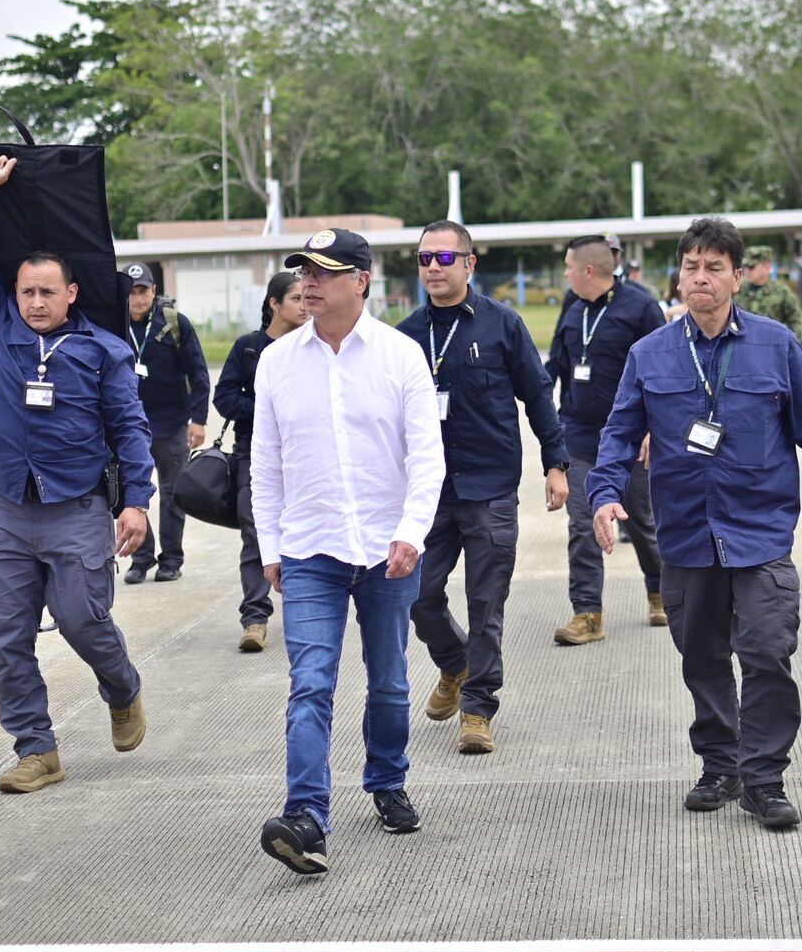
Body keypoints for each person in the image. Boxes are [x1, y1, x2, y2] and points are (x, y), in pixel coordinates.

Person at [589, 216, 802, 833]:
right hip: (685, 535)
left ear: (735, 276)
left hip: (759, 533)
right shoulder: (649, 353)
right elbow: (619, 434)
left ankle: (764, 778)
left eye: (713, 268)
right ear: (678, 275)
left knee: (765, 651)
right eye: (690, 267)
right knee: (701, 656)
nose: (699, 279)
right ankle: (720, 764)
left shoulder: (776, 344)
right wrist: (603, 494)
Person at [0, 154, 155, 794]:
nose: (36, 302)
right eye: (27, 291)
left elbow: (130, 429)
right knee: (9, 639)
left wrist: (138, 502)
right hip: (10, 509)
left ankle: (122, 686)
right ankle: (36, 749)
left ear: (71, 293)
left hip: (77, 509)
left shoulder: (104, 350)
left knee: (82, 619)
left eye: (48, 291)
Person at [252, 228, 444, 875]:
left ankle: (387, 781)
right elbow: (265, 467)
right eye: (304, 271)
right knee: (309, 683)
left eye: (325, 272)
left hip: (389, 552)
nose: (310, 282)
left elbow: (426, 459)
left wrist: (412, 531)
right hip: (310, 551)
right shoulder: (277, 363)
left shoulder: (399, 357)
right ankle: (306, 817)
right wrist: (270, 546)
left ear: (362, 280)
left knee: (388, 682)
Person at [396, 220, 568, 754]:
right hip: (428, 492)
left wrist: (556, 462)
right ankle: (455, 661)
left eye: (444, 259)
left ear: (470, 264)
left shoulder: (502, 325)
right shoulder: (402, 336)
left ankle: (477, 707)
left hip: (490, 486)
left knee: (485, 602)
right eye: (424, 258)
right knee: (417, 595)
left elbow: (537, 395)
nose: (432, 268)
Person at [546, 235, 667, 644]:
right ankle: (587, 613)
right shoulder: (572, 307)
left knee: (643, 523)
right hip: (578, 437)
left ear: (589, 270)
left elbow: (665, 372)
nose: (564, 273)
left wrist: (653, 427)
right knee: (583, 523)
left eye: (568, 266)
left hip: (630, 439)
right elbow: (558, 365)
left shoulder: (642, 307)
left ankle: (660, 592)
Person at [213, 272, 305, 652]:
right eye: (296, 298)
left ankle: (304, 612)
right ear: (274, 304)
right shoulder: (249, 348)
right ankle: (255, 618)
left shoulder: (311, 347)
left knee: (303, 535)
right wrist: (268, 411)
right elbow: (224, 399)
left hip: (303, 457)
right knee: (256, 534)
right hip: (253, 453)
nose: (304, 304)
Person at [122, 263, 209, 585]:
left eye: (143, 290)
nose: (137, 298)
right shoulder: (114, 326)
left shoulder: (174, 323)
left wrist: (198, 420)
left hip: (171, 423)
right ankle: (140, 559)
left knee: (173, 493)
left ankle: (171, 559)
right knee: (132, 494)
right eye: (131, 292)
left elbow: (198, 373)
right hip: (129, 427)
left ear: (153, 291)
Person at [739, 246, 802, 345]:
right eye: (745, 267)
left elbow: (796, 325)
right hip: (743, 348)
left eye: (751, 267)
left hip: (771, 348)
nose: (747, 271)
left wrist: (791, 350)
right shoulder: (737, 291)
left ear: (767, 268)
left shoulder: (782, 293)